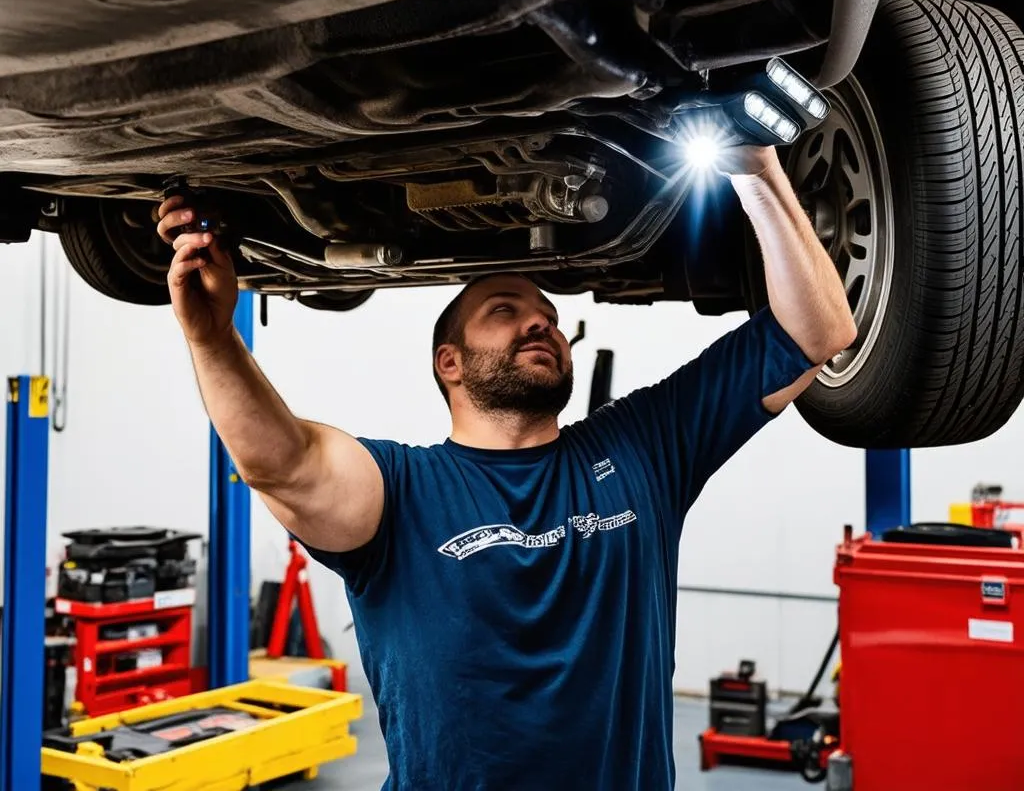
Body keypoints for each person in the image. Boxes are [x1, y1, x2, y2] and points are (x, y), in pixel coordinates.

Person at [156, 144, 855, 791]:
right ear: (448, 363)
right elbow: (283, 464)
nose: (539, 323)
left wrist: (757, 171)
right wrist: (211, 336)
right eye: (504, 310)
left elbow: (817, 331)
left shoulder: (640, 447)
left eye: (548, 315)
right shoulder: (402, 491)